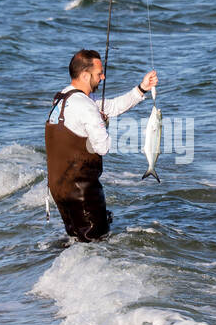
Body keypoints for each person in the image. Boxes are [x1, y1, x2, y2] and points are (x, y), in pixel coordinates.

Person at [45, 49, 158, 241]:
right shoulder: (87, 106)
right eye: (99, 73)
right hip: (82, 191)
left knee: (76, 241)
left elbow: (111, 106)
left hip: (59, 190)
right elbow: (103, 147)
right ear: (84, 75)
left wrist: (141, 89)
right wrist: (104, 124)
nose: (103, 77)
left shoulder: (63, 97)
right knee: (95, 245)